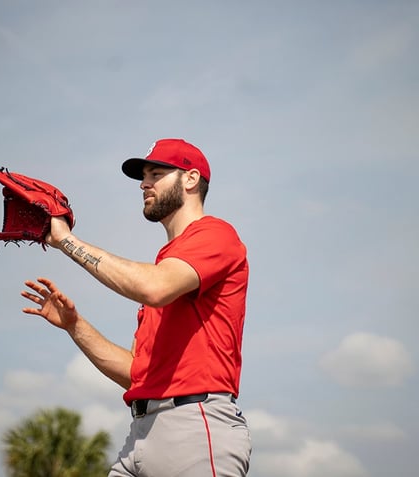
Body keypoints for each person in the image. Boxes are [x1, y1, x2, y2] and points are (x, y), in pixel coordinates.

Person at [21, 138, 251, 476]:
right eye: (144, 176)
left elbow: (153, 287)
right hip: (142, 433)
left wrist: (65, 240)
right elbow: (135, 374)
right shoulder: (167, 266)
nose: (144, 184)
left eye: (156, 173)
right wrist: (74, 325)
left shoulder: (215, 235)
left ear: (190, 179)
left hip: (194, 428)